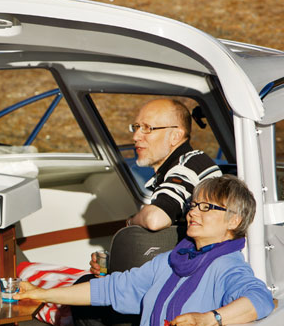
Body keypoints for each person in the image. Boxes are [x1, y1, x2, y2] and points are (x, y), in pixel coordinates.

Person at [17, 176, 273, 326]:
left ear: (234, 221)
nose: (193, 212)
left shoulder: (228, 266)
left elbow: (261, 300)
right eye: (194, 205)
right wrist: (41, 293)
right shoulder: (170, 261)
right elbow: (110, 288)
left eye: (206, 207)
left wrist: (208, 320)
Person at [89, 98, 222, 275]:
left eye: (147, 128)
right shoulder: (173, 170)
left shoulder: (190, 166)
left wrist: (130, 222)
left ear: (175, 136)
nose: (136, 137)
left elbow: (155, 219)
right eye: (136, 127)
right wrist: (114, 264)